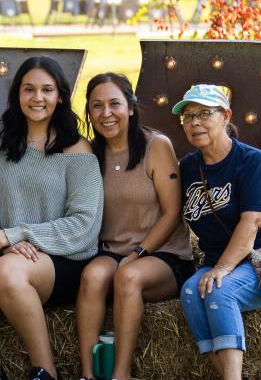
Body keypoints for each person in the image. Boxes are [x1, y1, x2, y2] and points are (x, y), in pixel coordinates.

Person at [0, 55, 103, 380]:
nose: (38, 98)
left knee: (7, 272)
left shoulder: (77, 150)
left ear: (60, 96)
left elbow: (84, 224)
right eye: (29, 89)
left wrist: (18, 235)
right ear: (17, 94)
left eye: (47, 90)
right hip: (5, 245)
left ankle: (44, 371)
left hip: (60, 256)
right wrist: (4, 240)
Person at [76, 73, 194, 380]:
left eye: (114, 104)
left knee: (128, 277)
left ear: (130, 107)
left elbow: (172, 213)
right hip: (111, 251)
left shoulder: (156, 146)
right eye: (96, 106)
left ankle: (121, 374)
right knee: (91, 276)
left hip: (162, 253)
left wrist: (140, 252)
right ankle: (88, 374)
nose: (106, 113)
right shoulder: (89, 154)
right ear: (89, 112)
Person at [174, 84, 261, 380]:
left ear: (226, 116)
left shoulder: (252, 162)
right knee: (189, 291)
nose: (194, 122)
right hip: (217, 260)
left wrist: (223, 268)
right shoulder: (188, 167)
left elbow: (252, 224)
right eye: (187, 116)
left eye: (204, 113)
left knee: (219, 291)